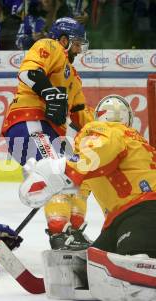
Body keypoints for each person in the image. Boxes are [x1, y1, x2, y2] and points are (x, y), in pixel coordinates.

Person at [19, 94, 156, 299]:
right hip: (122, 218)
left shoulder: (108, 131)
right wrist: (54, 178)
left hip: (143, 211)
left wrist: (55, 170)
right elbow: (80, 185)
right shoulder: (134, 141)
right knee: (92, 267)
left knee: (134, 259)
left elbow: (93, 155)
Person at [1, 17, 94, 250]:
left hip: (52, 132)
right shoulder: (50, 46)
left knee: (80, 174)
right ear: (63, 39)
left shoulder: (74, 77)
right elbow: (28, 72)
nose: (79, 49)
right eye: (76, 43)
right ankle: (59, 235)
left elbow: (81, 115)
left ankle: (73, 230)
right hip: (29, 121)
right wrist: (49, 92)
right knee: (55, 171)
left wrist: (102, 132)